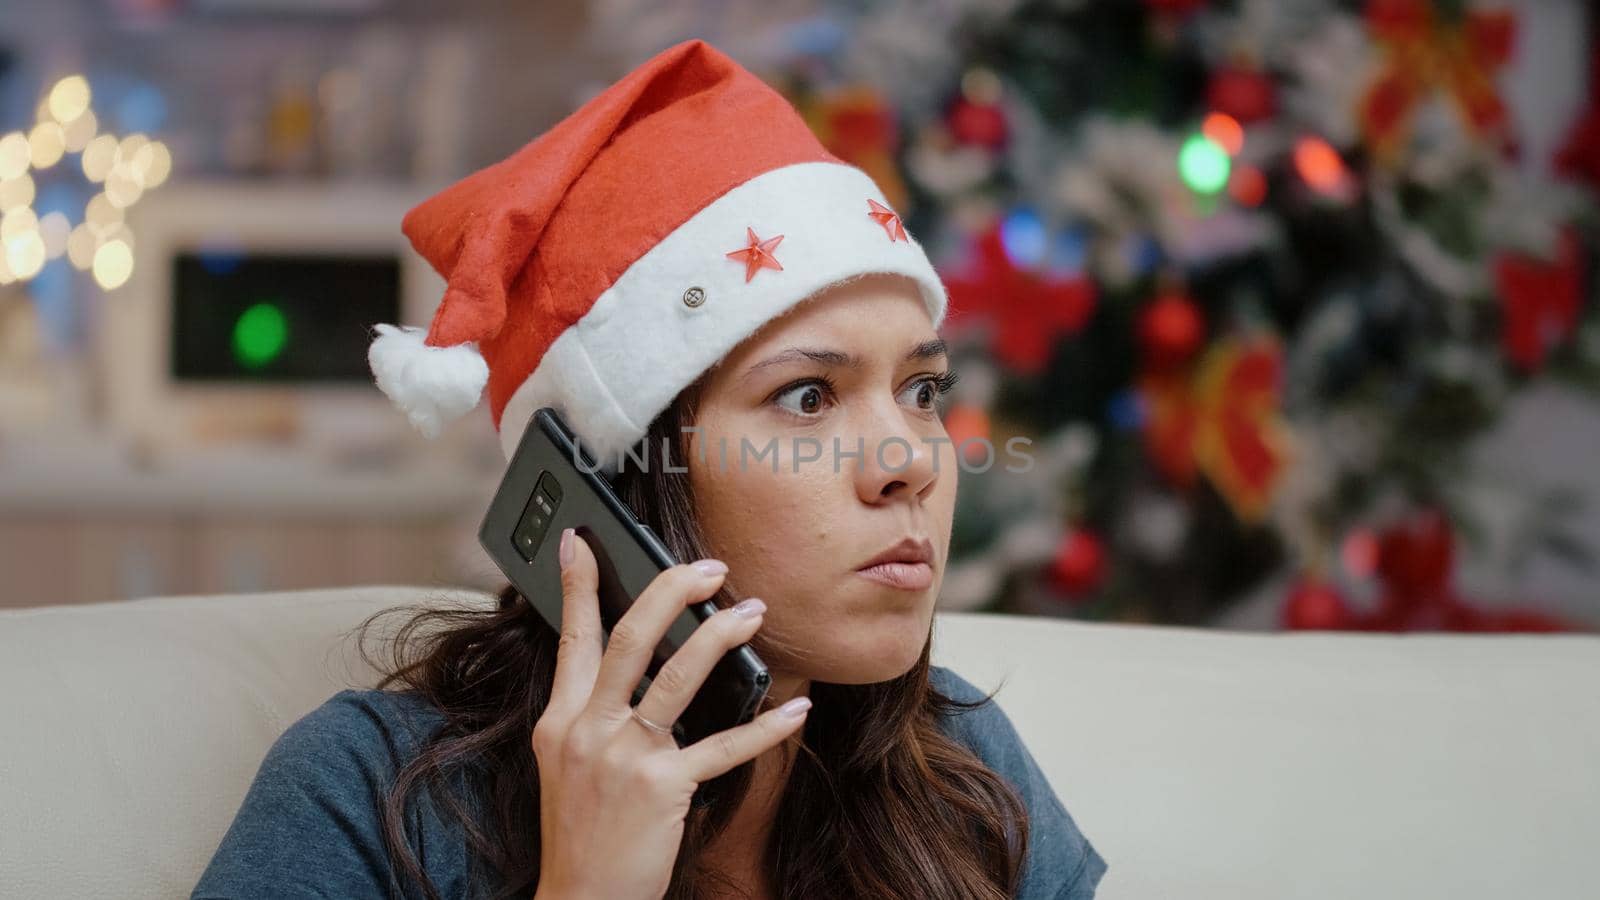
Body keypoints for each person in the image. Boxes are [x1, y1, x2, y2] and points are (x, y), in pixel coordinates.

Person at [191, 38, 1106, 900]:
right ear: (614, 488)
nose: (909, 462)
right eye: (807, 399)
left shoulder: (962, 773)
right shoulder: (368, 792)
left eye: (921, 389)